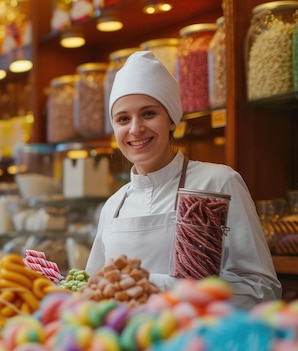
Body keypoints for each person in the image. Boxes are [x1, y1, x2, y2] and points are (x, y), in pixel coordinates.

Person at [85, 50, 281, 309]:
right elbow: (92, 289)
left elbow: (262, 289)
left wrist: (153, 286)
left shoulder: (219, 182)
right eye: (123, 119)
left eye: (148, 113)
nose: (135, 129)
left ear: (171, 120)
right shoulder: (113, 205)